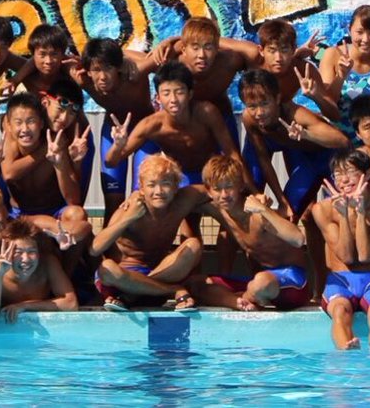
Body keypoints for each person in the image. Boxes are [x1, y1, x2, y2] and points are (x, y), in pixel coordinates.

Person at [0, 93, 93, 277]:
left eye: (31, 121)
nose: (25, 129)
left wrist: (59, 164)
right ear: (8, 125)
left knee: (78, 214)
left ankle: (66, 275)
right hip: (18, 215)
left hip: (53, 212)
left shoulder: (56, 144)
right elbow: (7, 175)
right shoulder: (8, 144)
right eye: (18, 122)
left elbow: (74, 200)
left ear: (41, 123)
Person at [189, 155, 311, 311]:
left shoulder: (257, 213)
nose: (224, 195)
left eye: (229, 187)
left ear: (240, 186)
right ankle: (239, 302)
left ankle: (246, 297)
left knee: (260, 282)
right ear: (209, 191)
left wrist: (263, 209)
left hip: (294, 284)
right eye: (218, 189)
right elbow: (182, 196)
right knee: (196, 283)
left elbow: (298, 239)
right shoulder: (217, 209)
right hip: (259, 282)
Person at [312, 149, 370, 349]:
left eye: (351, 172)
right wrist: (344, 214)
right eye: (338, 174)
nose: (344, 180)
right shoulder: (322, 209)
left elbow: (365, 255)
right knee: (340, 311)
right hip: (340, 280)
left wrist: (360, 212)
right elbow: (346, 256)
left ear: (367, 174)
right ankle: (346, 348)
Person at [105, 62, 249, 190]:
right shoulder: (151, 125)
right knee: (140, 201)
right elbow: (111, 163)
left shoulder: (207, 113)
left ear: (190, 94)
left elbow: (232, 154)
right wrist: (117, 146)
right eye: (166, 93)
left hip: (209, 177)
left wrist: (252, 192)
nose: (173, 99)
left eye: (179, 92)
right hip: (179, 179)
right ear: (158, 98)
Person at [92, 154, 206, 311]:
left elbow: (216, 191)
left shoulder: (185, 199)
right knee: (107, 268)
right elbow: (95, 248)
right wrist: (129, 218)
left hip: (158, 272)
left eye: (165, 184)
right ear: (141, 187)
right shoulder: (130, 208)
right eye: (151, 185)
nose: (158, 191)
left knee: (193, 245)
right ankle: (171, 290)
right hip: (125, 278)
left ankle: (136, 293)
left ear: (176, 186)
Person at [238, 69, 349, 220]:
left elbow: (342, 141)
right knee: (289, 215)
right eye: (252, 106)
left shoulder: (296, 115)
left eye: (265, 103)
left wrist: (307, 135)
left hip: (330, 158)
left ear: (277, 98)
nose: (259, 112)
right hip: (307, 163)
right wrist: (282, 201)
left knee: (344, 211)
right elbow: (263, 159)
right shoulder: (250, 119)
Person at [67, 38, 157, 214]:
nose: (102, 76)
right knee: (112, 200)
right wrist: (16, 80)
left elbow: (166, 54)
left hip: (145, 132)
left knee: (142, 197)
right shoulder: (84, 80)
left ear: (118, 67)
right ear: (88, 71)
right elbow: (49, 58)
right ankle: (112, 232)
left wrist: (124, 56)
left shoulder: (135, 73)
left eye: (108, 68)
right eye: (96, 70)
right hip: (113, 131)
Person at [150, 16, 253, 142]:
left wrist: (176, 40)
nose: (202, 55)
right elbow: (139, 69)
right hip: (181, 124)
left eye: (208, 47)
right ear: (184, 50)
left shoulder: (230, 61)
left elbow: (253, 51)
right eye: (195, 48)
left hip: (221, 119)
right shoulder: (170, 60)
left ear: (217, 48)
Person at [314, 5, 370, 139]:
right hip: (340, 142)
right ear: (349, 30)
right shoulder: (332, 55)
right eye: (360, 32)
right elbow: (328, 103)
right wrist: (341, 76)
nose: (365, 39)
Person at [0, 219, 79, 324]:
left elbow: (71, 304)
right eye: (18, 252)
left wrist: (24, 306)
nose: (26, 259)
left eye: (31, 252)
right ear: (5, 252)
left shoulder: (48, 264)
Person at [213, 19, 321, 102]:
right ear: (261, 50)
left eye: (284, 50)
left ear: (292, 50)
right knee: (230, 57)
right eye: (272, 51)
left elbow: (328, 105)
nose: (278, 58)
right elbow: (214, 41)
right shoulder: (253, 55)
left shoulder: (302, 68)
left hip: (284, 109)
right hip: (254, 111)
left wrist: (316, 96)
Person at [44, 79, 95, 198]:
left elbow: (75, 200)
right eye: (60, 109)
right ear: (45, 102)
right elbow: (9, 174)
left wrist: (75, 163)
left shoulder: (72, 138)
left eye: (71, 113)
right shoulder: (27, 126)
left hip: (55, 204)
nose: (64, 118)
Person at [5, 24, 74, 96]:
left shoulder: (71, 77)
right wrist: (14, 80)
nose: (48, 61)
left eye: (54, 54)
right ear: (33, 55)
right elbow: (6, 57)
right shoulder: (27, 74)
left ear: (63, 55)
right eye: (42, 54)